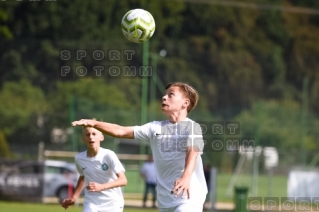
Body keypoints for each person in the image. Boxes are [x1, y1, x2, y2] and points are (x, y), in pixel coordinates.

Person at [71, 82, 208, 212]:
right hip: (165, 199)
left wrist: (186, 177)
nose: (164, 97)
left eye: (171, 94)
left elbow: (193, 151)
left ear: (185, 103)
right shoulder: (154, 127)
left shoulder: (192, 127)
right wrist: (93, 123)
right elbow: (120, 131)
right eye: (164, 94)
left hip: (190, 195)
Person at [61, 126, 127, 212]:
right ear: (83, 139)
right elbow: (83, 176)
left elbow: (123, 180)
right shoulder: (79, 158)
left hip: (112, 203)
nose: (91, 137)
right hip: (91, 203)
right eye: (88, 134)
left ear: (101, 137)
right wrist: (74, 197)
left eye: (94, 134)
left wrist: (102, 187)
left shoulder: (109, 155)